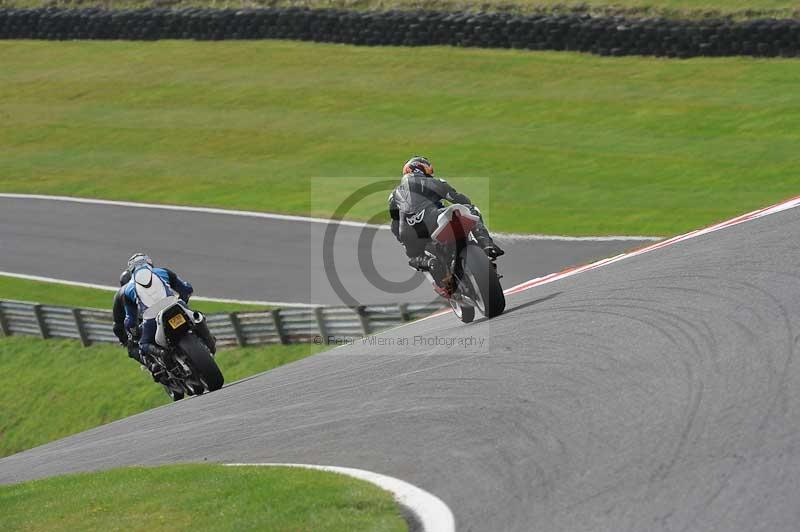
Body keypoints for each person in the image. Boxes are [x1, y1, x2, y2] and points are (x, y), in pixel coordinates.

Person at [388, 156, 504, 274]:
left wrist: (406, 243)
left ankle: (423, 261)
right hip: (432, 219)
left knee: (416, 257)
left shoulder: (393, 196)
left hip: (409, 234)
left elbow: (394, 225)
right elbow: (460, 200)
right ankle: (486, 244)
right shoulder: (432, 182)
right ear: (419, 169)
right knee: (471, 209)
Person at [121, 253, 215, 380]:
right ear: (149, 262)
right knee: (198, 317)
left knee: (143, 344)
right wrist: (183, 302)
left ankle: (162, 353)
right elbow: (187, 289)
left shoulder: (128, 290)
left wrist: (133, 332)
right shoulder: (162, 272)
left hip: (152, 319)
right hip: (175, 306)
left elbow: (130, 320)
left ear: (131, 270)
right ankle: (209, 341)